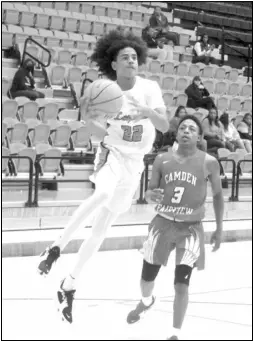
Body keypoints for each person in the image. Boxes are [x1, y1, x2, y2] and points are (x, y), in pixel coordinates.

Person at [37, 30, 169, 323]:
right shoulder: (104, 91)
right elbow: (97, 131)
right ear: (114, 65)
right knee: (103, 193)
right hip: (112, 154)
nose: (131, 61)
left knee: (101, 229)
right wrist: (86, 117)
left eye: (135, 57)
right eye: (125, 58)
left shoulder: (149, 88)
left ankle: (69, 284)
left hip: (135, 164)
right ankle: (56, 246)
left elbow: (163, 125)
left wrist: (144, 111)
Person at [126, 114, 224, 340]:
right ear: (177, 133)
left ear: (199, 136)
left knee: (181, 285)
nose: (186, 131)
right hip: (161, 224)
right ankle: (146, 301)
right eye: (182, 128)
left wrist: (219, 229)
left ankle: (175, 334)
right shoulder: (161, 159)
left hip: (190, 230)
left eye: (191, 128)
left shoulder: (209, 162)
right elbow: (150, 192)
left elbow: (218, 196)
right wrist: (150, 195)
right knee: (146, 280)